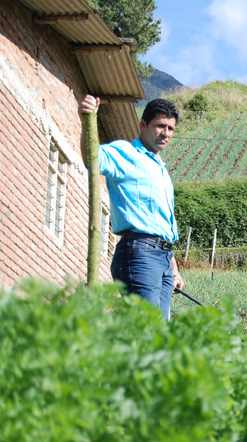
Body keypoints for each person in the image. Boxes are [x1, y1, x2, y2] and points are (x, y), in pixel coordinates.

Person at [80, 95, 185, 320]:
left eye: (171, 128)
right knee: (148, 331)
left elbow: (161, 225)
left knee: (159, 336)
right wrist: (86, 119)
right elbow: (92, 158)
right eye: (160, 126)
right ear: (143, 125)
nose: (166, 133)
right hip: (139, 253)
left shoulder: (161, 171)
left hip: (164, 259)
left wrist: (174, 269)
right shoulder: (126, 153)